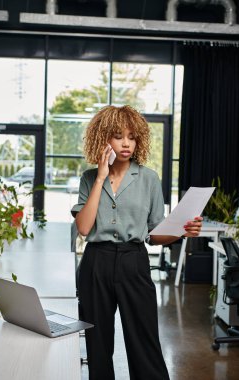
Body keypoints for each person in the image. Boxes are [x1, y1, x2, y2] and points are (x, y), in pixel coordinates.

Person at [71, 105, 202, 380]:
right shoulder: (89, 178)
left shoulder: (149, 179)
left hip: (134, 262)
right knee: (97, 344)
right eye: (118, 136)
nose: (126, 142)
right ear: (103, 138)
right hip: (96, 263)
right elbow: (83, 227)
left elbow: (154, 235)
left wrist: (181, 231)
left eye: (132, 136)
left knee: (144, 341)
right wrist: (101, 178)